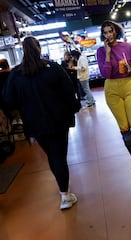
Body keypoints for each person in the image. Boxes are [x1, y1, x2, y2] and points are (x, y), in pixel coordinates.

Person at [2, 36, 80, 210]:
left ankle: (63, 190)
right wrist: (74, 107)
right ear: (39, 49)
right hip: (59, 120)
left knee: (52, 156)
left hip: (34, 123)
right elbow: (69, 90)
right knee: (59, 156)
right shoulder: (53, 68)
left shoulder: (16, 74)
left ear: (23, 50)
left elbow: (8, 100)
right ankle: (65, 196)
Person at [96, 20, 131, 177]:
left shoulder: (127, 47)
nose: (108, 35)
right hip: (111, 89)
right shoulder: (101, 51)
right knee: (124, 127)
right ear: (103, 35)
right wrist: (107, 54)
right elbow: (105, 74)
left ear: (115, 32)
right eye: (105, 32)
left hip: (129, 85)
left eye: (110, 31)